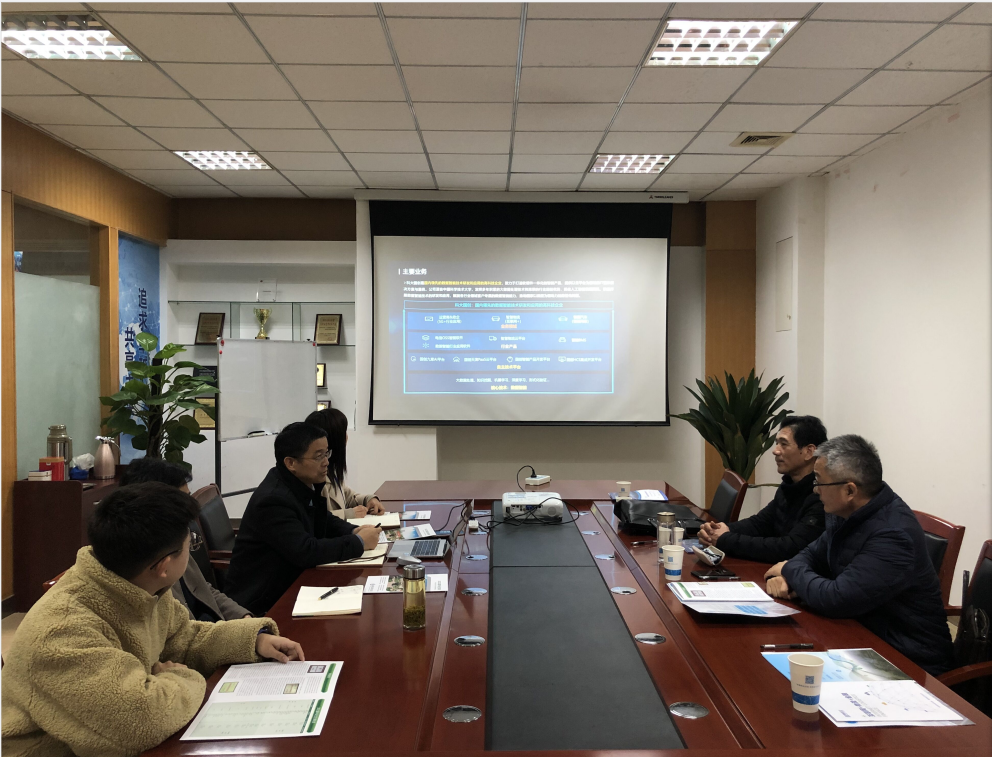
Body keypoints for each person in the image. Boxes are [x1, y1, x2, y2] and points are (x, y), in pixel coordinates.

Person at [1, 483, 304, 757]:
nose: (191, 552)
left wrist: (253, 640)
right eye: (189, 544)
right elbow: (140, 721)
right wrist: (179, 677)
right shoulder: (62, 632)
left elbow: (184, 638)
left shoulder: (138, 585)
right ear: (163, 566)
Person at [764, 435, 954, 676]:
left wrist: (788, 570)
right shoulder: (844, 511)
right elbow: (811, 554)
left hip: (907, 661)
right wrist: (794, 577)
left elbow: (836, 599)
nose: (815, 490)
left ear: (849, 490)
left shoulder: (894, 535)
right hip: (859, 634)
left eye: (819, 481)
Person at [224, 422, 382, 616]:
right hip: (263, 603)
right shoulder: (273, 500)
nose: (326, 462)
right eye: (318, 456)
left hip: (292, 584)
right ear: (291, 463)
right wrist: (358, 542)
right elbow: (306, 551)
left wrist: (352, 530)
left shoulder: (299, 483)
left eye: (326, 453)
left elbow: (323, 518)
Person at [120, 457, 252, 622]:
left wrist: (244, 618)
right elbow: (187, 635)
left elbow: (204, 589)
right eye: (182, 503)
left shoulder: (175, 535)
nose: (191, 510)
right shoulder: (143, 571)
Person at [698, 415, 827, 563]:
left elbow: (790, 548)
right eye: (777, 443)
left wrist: (725, 539)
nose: (775, 451)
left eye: (783, 444)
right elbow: (761, 523)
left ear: (809, 451)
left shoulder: (822, 495)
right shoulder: (789, 485)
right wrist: (719, 530)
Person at [305, 407, 385, 520]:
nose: (347, 437)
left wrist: (368, 499)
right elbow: (313, 518)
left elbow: (347, 496)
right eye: (344, 432)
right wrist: (348, 514)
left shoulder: (331, 469)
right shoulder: (314, 476)